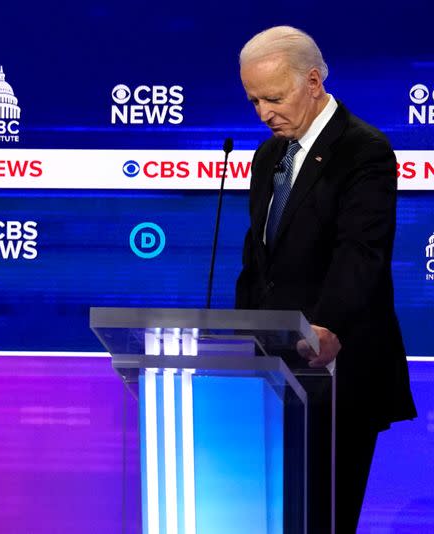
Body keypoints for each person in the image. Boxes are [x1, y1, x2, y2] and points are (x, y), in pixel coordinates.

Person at [235, 26, 416, 533]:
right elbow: (259, 260)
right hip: (273, 372)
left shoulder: (364, 150)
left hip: (339, 368)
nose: (262, 113)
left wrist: (328, 326)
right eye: (253, 100)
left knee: (326, 517)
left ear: (312, 82)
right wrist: (236, 339)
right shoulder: (268, 156)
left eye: (273, 97)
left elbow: (361, 252)